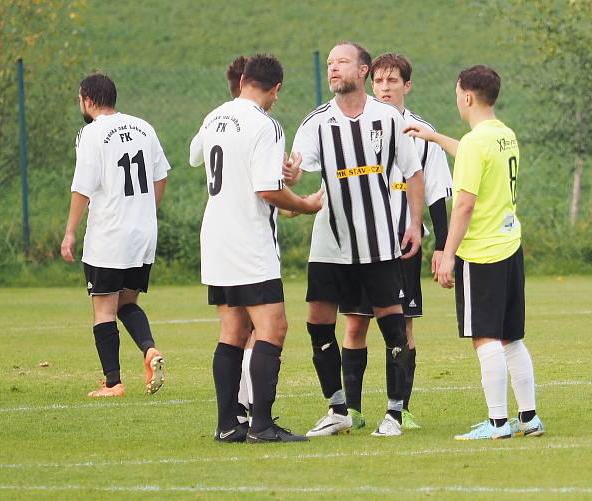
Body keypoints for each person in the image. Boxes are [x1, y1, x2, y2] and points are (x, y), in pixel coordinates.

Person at [290, 41, 425, 437]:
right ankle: (338, 409)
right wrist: (291, 176)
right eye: (330, 63)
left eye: (342, 62)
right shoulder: (316, 122)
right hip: (329, 244)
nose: (333, 69)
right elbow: (297, 167)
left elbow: (413, 173)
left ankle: (395, 414)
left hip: (379, 242)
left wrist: (414, 224)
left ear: (362, 70)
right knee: (318, 322)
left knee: (392, 326)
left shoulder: (387, 118)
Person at [189, 54, 323, 443]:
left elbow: (198, 156)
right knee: (273, 326)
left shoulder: (215, 116)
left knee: (232, 330)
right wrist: (305, 204)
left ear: (244, 79)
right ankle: (262, 425)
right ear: (276, 89)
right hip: (249, 240)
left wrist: (277, 175)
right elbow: (266, 190)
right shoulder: (266, 124)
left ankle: (228, 424)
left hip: (215, 238)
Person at [405, 65, 544, 440]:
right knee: (511, 337)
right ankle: (528, 418)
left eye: (456, 94)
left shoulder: (476, 143)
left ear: (467, 96)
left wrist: (448, 253)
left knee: (484, 337)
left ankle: (498, 423)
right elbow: (470, 152)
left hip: (481, 254)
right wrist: (434, 138)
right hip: (510, 248)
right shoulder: (503, 135)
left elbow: (464, 204)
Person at [338, 53, 452, 430]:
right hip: (359, 244)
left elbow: (436, 190)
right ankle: (350, 411)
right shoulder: (358, 124)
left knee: (402, 326)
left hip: (404, 245)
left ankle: (400, 408)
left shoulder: (421, 131)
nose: (385, 88)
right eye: (380, 81)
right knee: (355, 324)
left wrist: (440, 244)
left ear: (407, 85)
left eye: (393, 81)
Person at [61, 73, 169, 398]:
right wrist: (147, 211)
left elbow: (83, 187)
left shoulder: (91, 134)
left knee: (103, 308)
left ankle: (113, 383)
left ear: (88, 100)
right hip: (142, 234)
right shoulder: (144, 127)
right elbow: (161, 175)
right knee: (127, 302)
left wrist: (69, 233)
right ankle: (149, 350)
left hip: (108, 234)